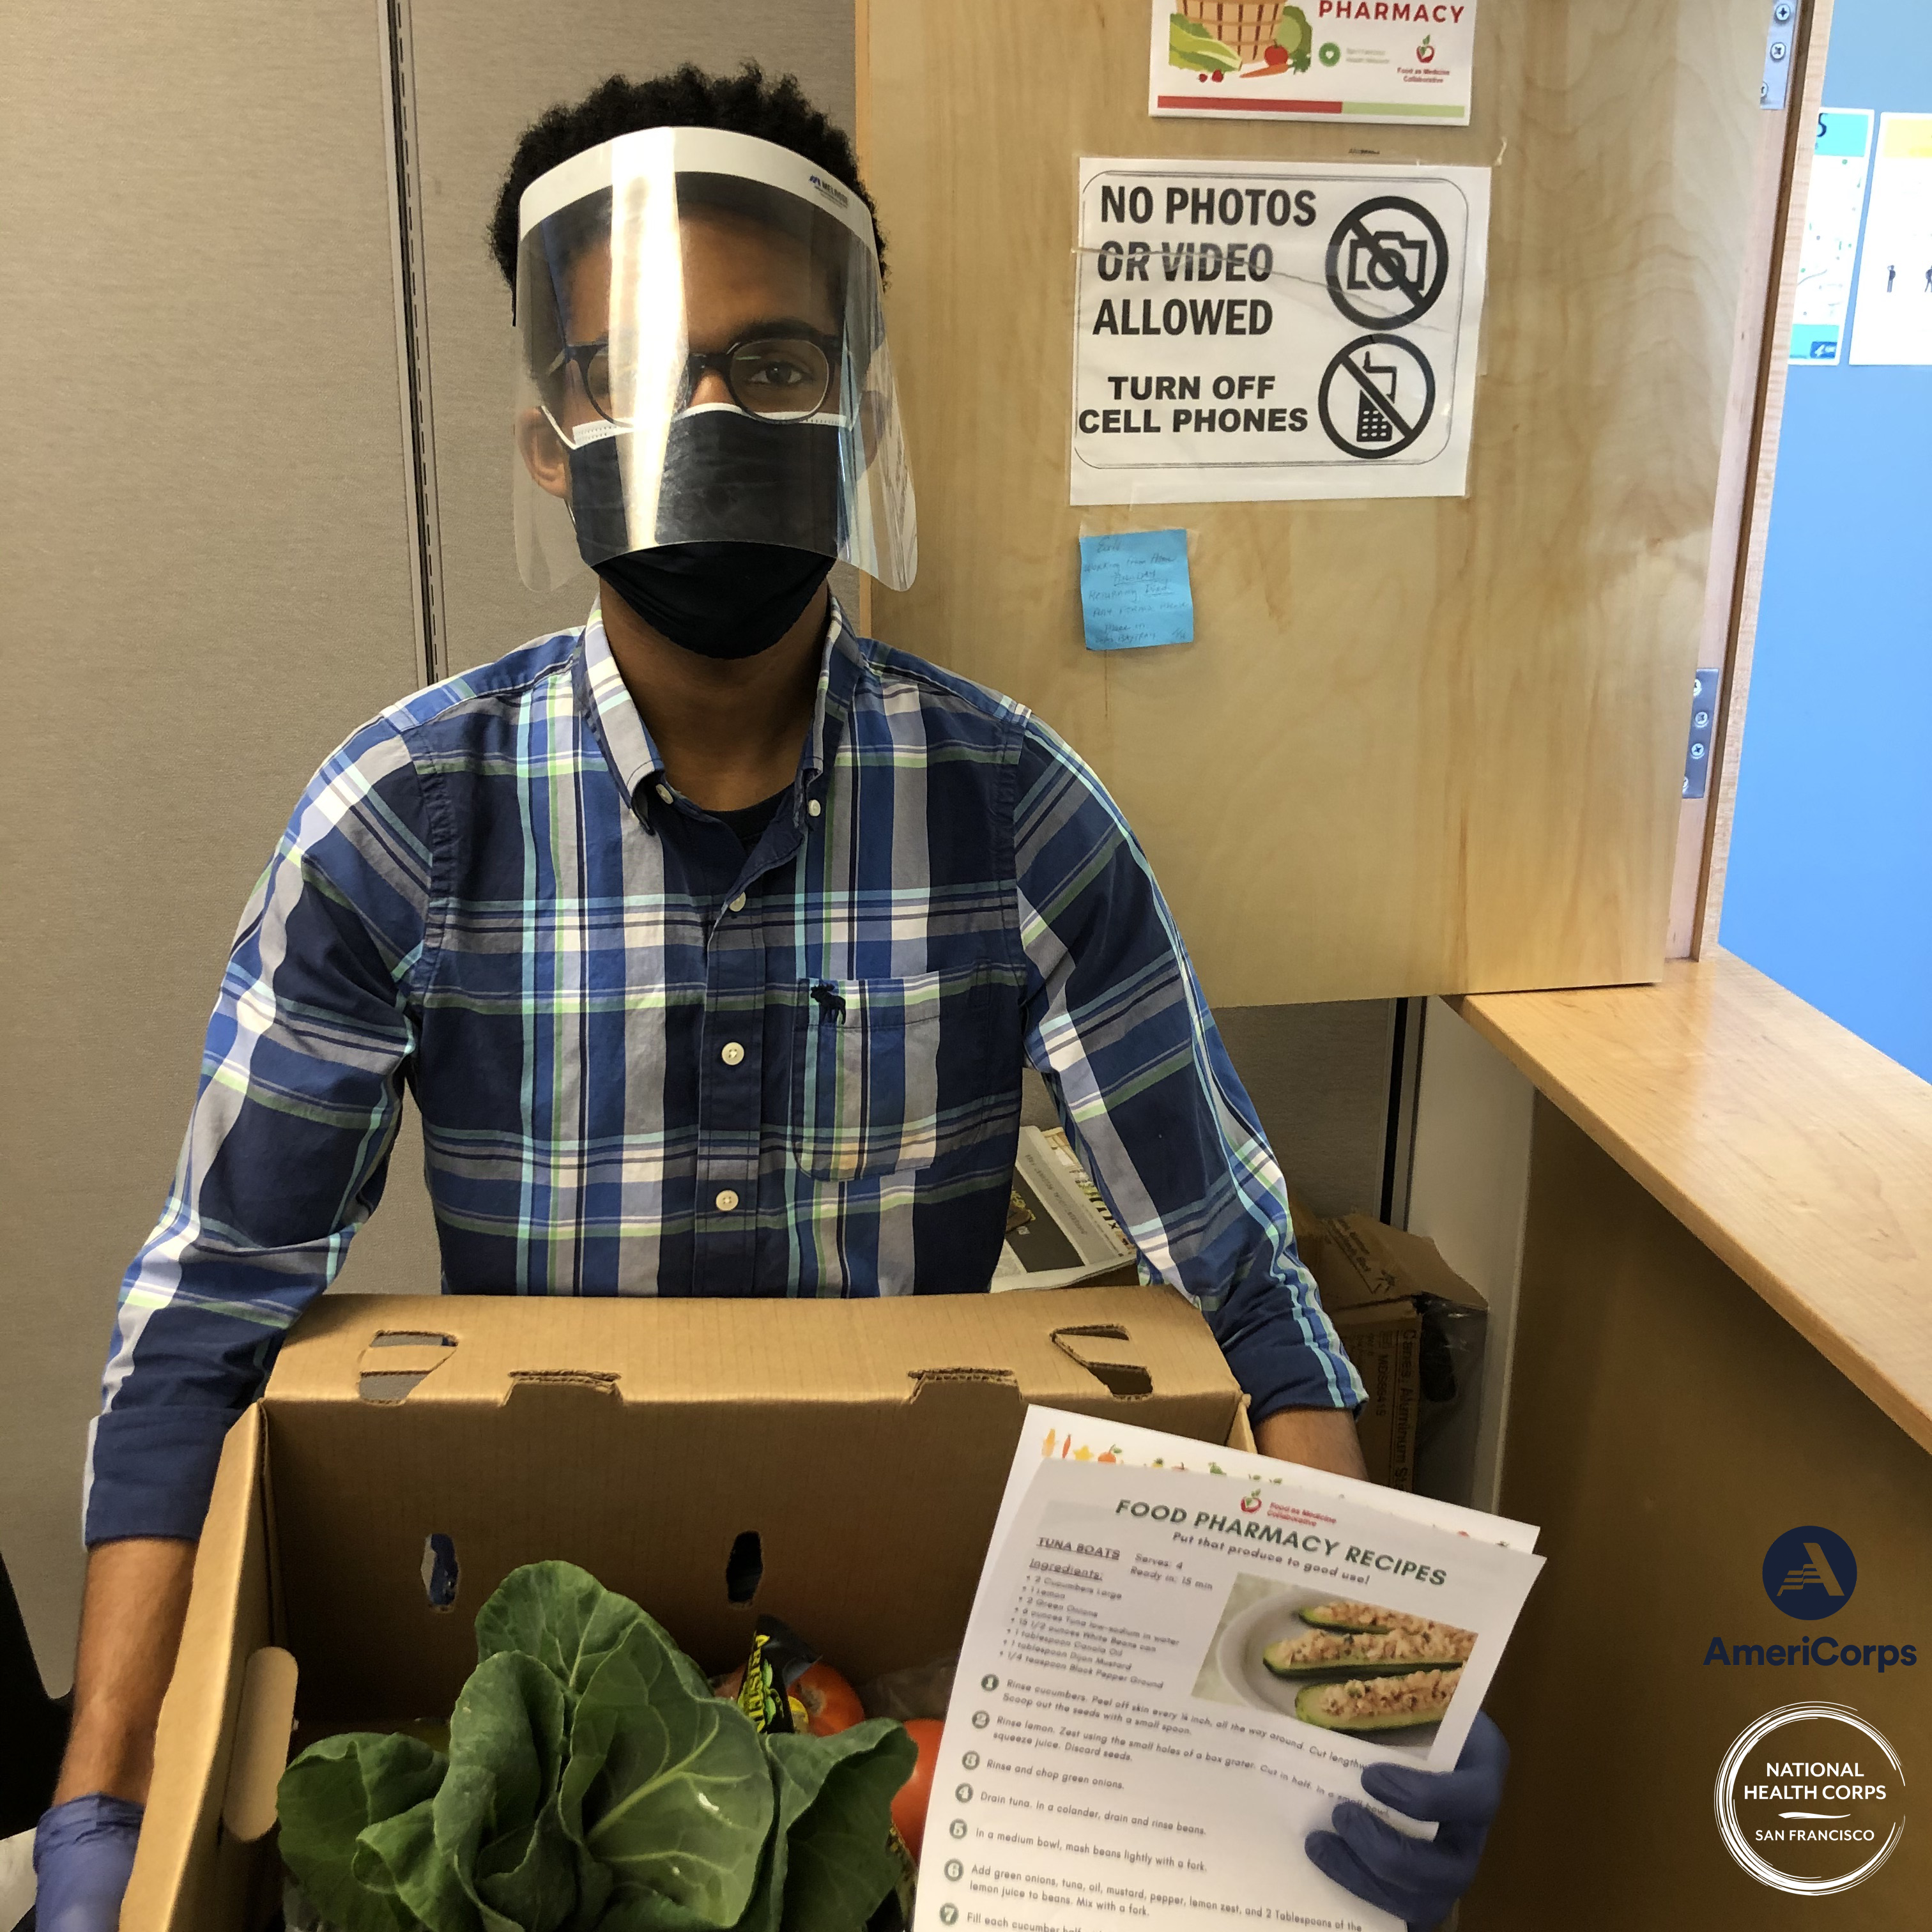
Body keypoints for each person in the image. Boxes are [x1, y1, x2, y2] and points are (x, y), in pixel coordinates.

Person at [33, 66, 1505, 1932]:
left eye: (779, 363)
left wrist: (1372, 1668)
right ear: (551, 427)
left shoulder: (1013, 810)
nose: (714, 414)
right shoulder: (402, 824)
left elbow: (1248, 1285)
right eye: (641, 368)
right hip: (535, 1685)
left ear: (857, 410)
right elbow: (203, 1324)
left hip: (899, 1727)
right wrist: (102, 1804)